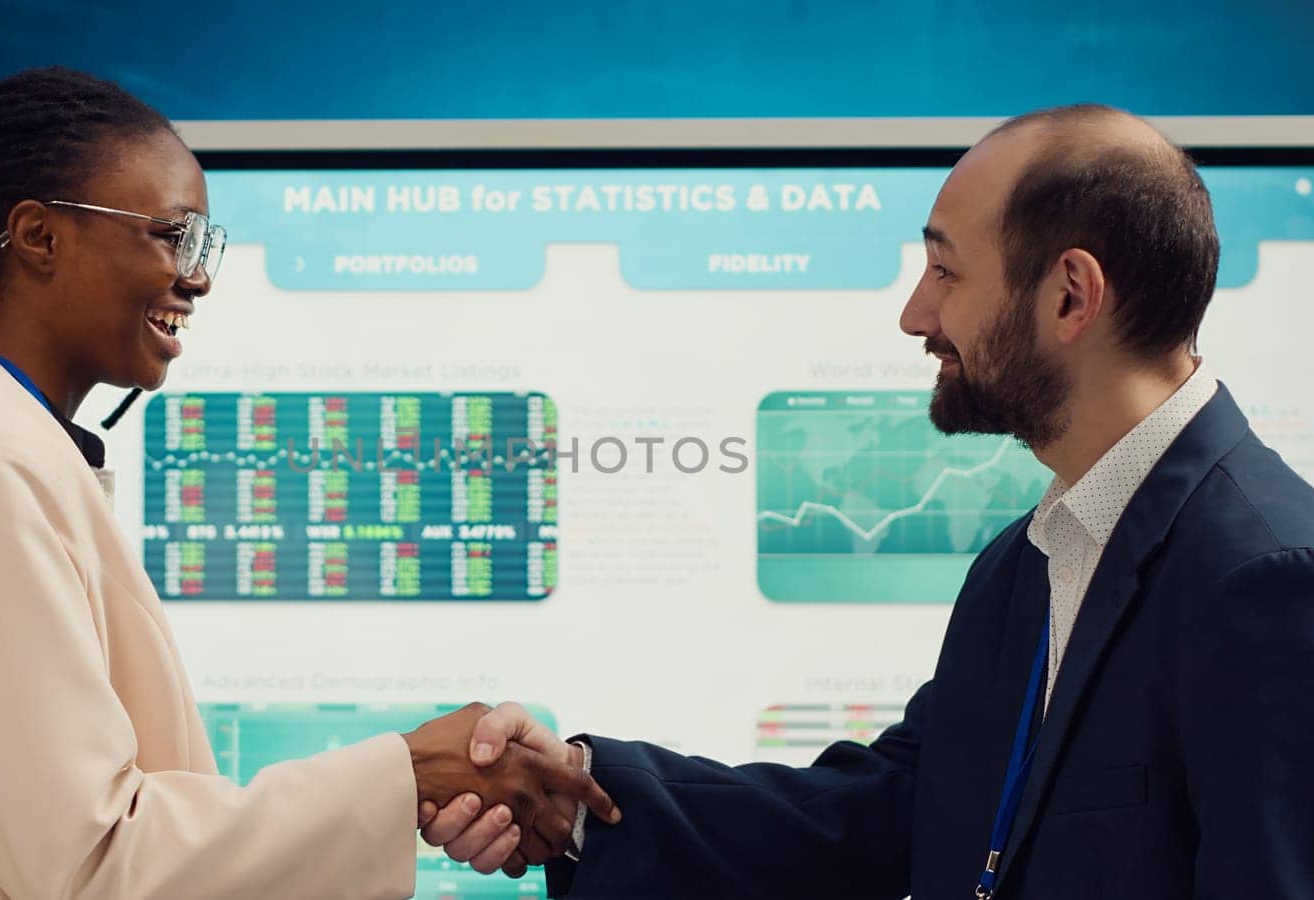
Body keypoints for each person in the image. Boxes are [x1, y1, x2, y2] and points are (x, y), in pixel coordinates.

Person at [433, 104, 1314, 898]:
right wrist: (576, 792)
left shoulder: (1267, 580)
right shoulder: (1029, 562)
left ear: (1070, 296)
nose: (914, 314)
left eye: (946, 271)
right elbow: (890, 812)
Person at [0, 66, 615, 900]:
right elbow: (99, 864)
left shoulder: (0, 452)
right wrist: (408, 772)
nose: (198, 277)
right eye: (173, 236)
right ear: (39, 236)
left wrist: (414, 781)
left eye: (205, 246)